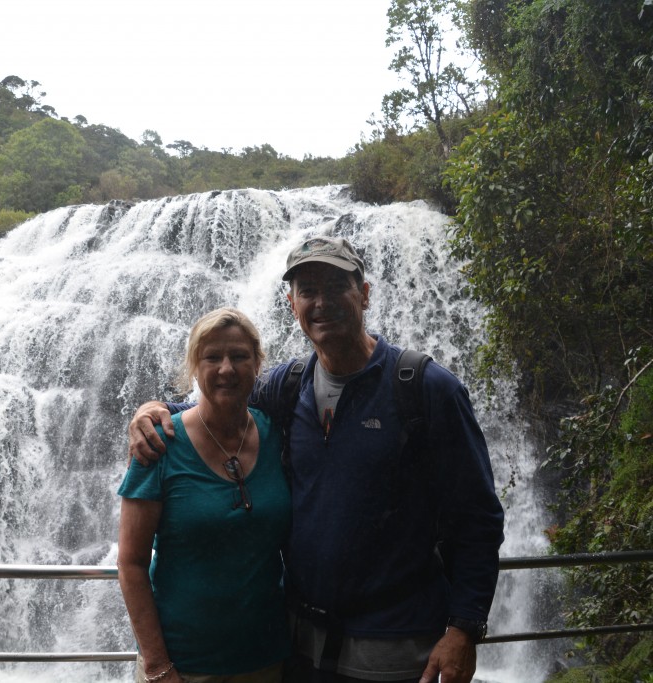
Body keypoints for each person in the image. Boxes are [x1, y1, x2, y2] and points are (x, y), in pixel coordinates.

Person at [128, 237, 505, 683]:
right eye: (308, 290)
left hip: (398, 651)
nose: (321, 302)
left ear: (364, 294)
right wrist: (156, 410)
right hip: (298, 648)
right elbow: (219, 406)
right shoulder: (288, 387)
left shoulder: (425, 388)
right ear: (292, 305)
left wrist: (464, 627)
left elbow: (479, 517)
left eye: (336, 286)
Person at [118, 307, 291, 683]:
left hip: (266, 660)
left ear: (258, 364)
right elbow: (131, 563)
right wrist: (157, 665)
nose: (226, 369)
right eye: (212, 357)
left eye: (239, 356)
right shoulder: (158, 444)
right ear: (195, 367)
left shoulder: (277, 434)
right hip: (182, 667)